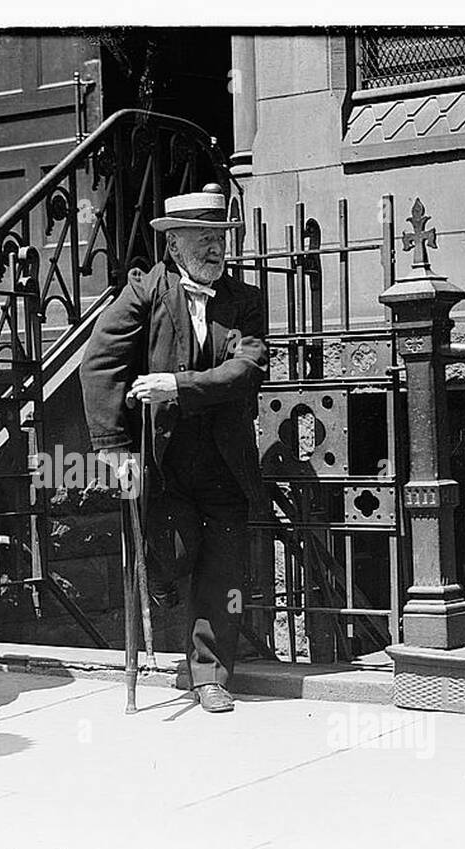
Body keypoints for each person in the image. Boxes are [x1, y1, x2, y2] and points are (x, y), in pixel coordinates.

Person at [80, 187, 268, 714]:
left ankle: (209, 676)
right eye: (203, 239)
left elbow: (247, 369)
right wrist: (113, 445)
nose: (215, 250)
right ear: (175, 244)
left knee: (222, 570)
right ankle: (162, 582)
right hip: (163, 464)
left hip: (225, 461)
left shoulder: (245, 301)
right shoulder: (144, 291)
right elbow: (101, 364)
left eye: (220, 239)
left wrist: (177, 386)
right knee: (176, 554)